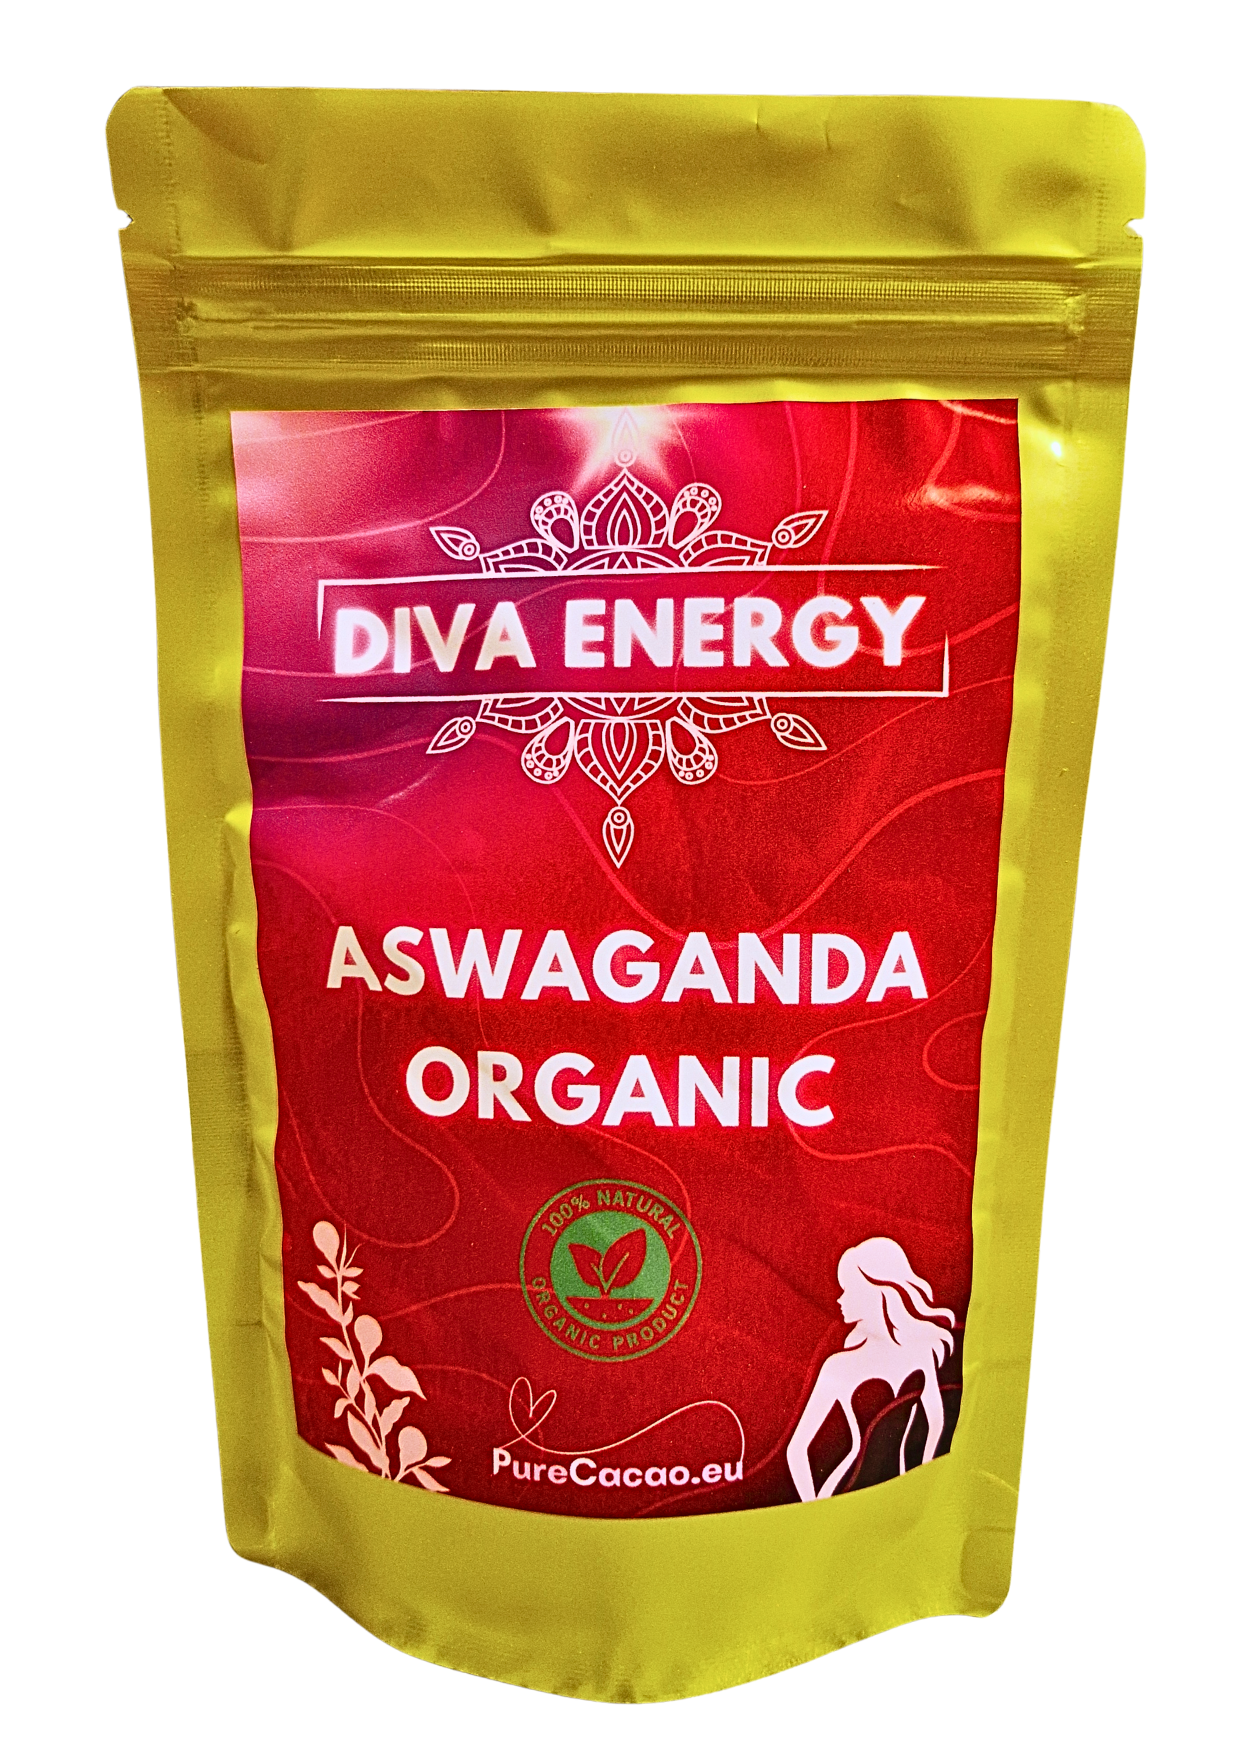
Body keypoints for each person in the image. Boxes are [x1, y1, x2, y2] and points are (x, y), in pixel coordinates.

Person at [787, 1236, 956, 1502]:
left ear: (878, 1289)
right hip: (844, 1494)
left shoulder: (921, 1352)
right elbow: (796, 1449)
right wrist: (814, 1510)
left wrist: (926, 1485)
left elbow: (937, 1422)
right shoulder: (839, 1366)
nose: (840, 1298)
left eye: (849, 1289)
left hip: (904, 1494)